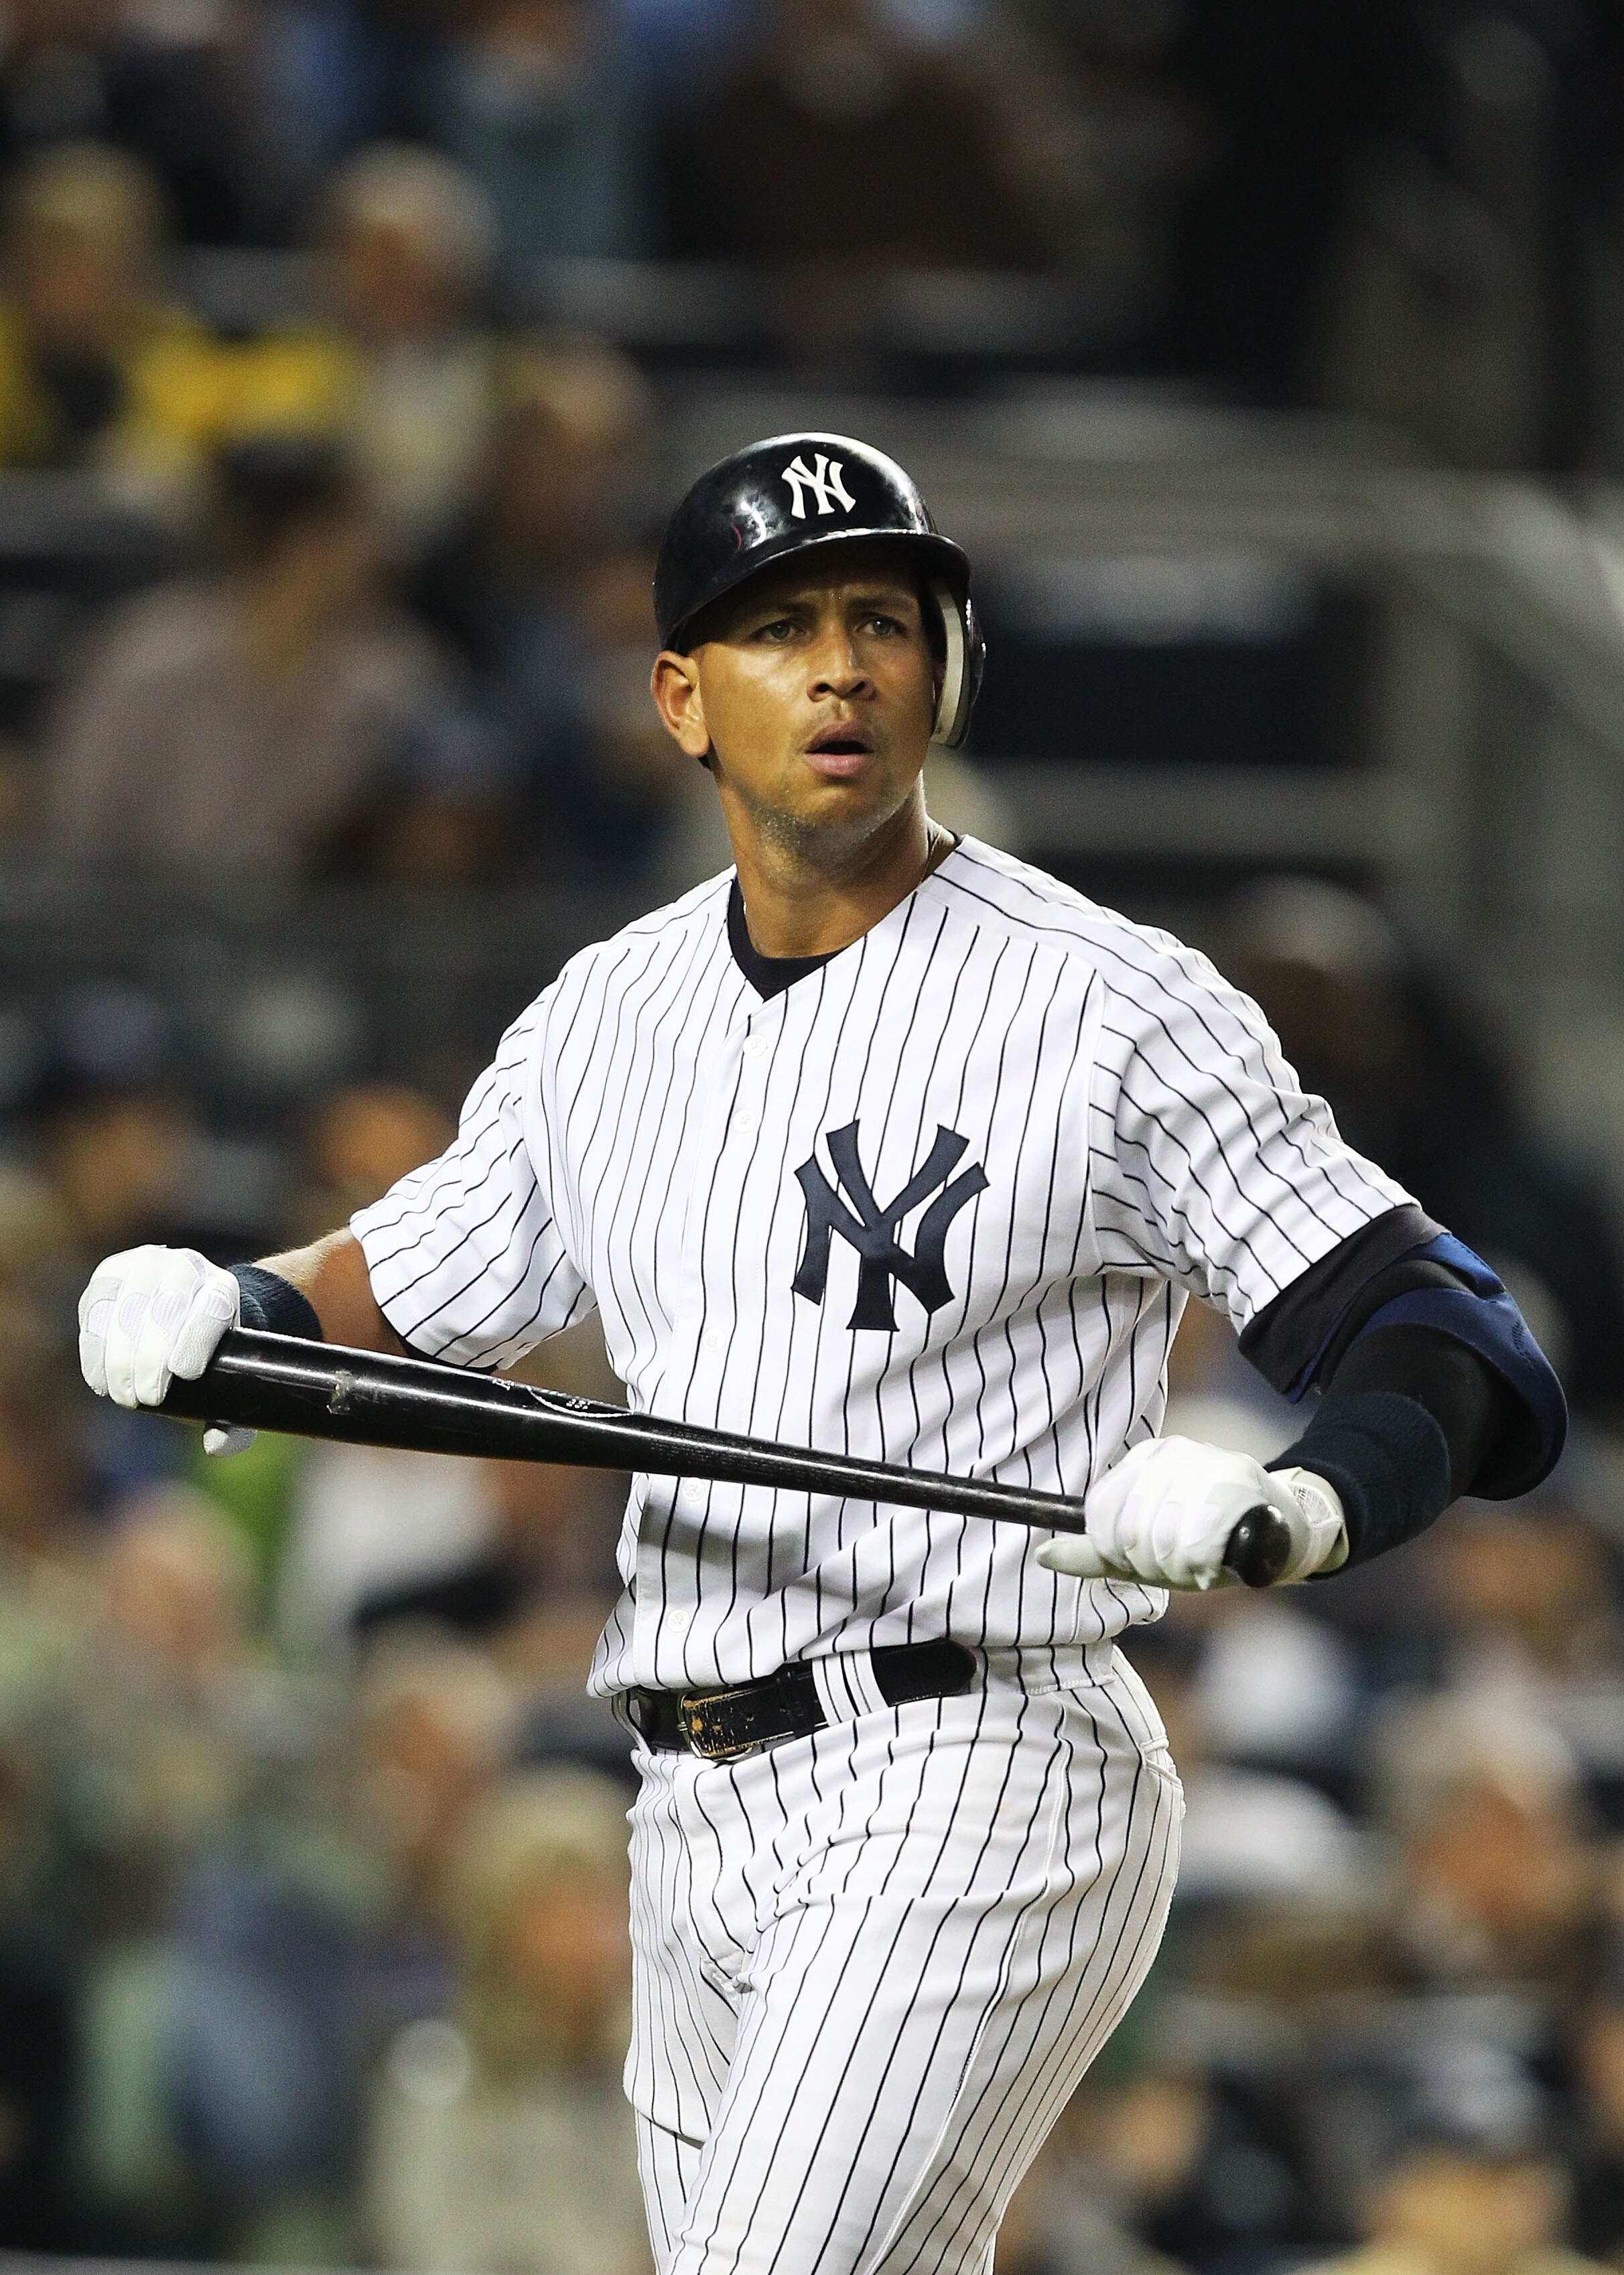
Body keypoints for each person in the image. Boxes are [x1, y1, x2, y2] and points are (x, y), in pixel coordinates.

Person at [76, 431, 1566, 2272]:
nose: (844, 663)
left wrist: (1299, 1502)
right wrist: (237, 1303)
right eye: (781, 628)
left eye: (886, 615)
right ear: (684, 702)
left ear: (948, 667)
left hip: (975, 1757)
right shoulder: (607, 1016)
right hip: (687, 1795)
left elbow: (1450, 1333)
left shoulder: (1106, 999)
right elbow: (405, 1275)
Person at [46, 435, 492, 880]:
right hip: (142, 929)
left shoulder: (398, 676)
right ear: (301, 542)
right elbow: (76, 827)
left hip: (327, 941)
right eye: (355, 530)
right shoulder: (147, 657)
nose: (376, 554)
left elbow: (447, 834)